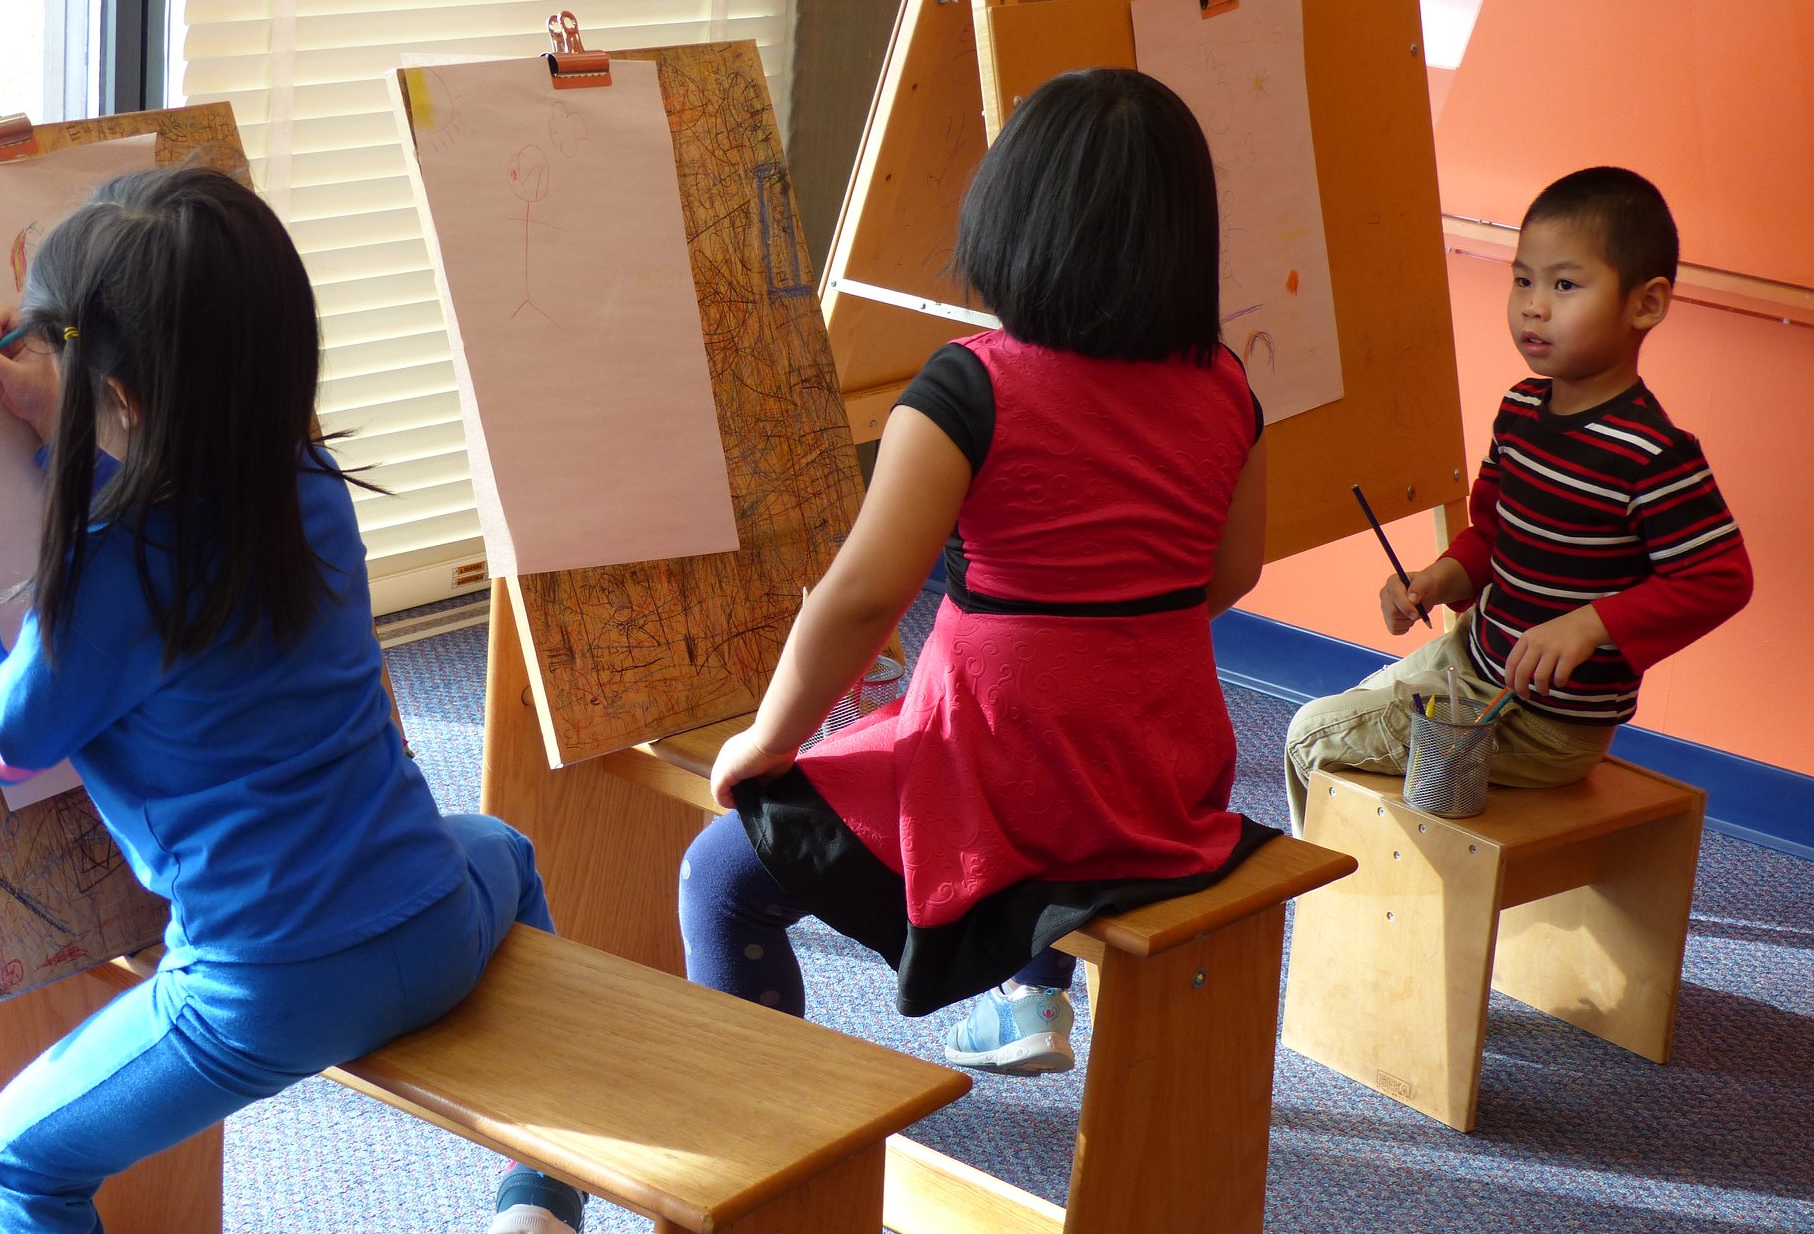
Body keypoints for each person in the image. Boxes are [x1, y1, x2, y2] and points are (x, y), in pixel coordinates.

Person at [0, 167, 584, 1234]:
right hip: (435, 922)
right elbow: (179, 485)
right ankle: (540, 1203)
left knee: (8, 1162)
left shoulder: (112, 576)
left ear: (124, 394)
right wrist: (65, 414)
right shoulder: (309, 480)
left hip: (264, 990)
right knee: (504, 846)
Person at [678, 68, 1276, 1075]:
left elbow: (865, 595)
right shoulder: (1227, 387)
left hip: (997, 767)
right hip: (1159, 775)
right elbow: (1231, 575)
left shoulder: (968, 387)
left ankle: (760, 1132)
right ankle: (1033, 987)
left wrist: (767, 737)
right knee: (1035, 795)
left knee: (720, 879)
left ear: (1008, 222)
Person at [1282, 167, 1754, 836]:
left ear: (1645, 304)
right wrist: (1439, 578)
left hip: (1547, 725)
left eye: (1564, 284)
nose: (1533, 304)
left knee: (1310, 738)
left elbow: (1721, 580)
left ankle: (1331, 904)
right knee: (1346, 708)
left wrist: (1590, 624)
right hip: (1473, 658)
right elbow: (1491, 536)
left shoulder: (1654, 453)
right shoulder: (1520, 407)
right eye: (1522, 279)